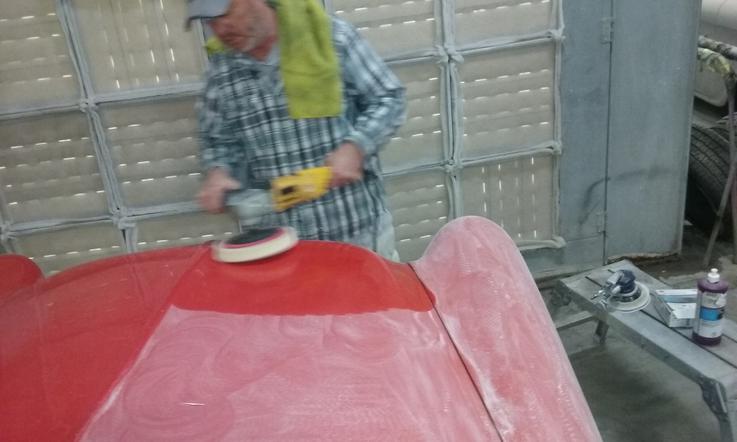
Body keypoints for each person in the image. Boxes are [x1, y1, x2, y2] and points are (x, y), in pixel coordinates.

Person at [187, 0, 406, 260]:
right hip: (280, 247)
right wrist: (218, 171)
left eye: (225, 14)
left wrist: (356, 147)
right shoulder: (221, 71)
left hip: (359, 235)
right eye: (209, 21)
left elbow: (389, 98)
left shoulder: (332, 38)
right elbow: (216, 140)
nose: (220, 29)